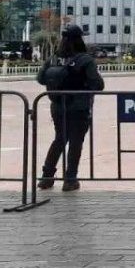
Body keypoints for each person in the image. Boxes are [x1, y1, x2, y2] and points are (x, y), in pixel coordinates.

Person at [36, 25, 104, 191]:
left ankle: (46, 177)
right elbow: (98, 84)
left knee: (59, 139)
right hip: (79, 106)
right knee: (75, 142)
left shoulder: (53, 58)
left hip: (57, 106)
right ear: (79, 39)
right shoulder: (84, 59)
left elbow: (40, 79)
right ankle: (70, 179)